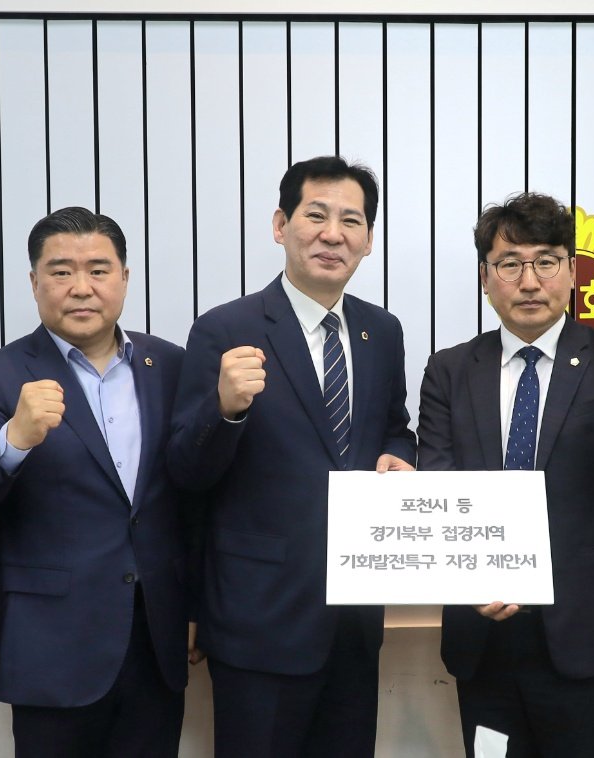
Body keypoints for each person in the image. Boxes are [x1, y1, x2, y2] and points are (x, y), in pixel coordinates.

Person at [167, 155, 416, 756]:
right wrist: (224, 410)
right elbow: (185, 470)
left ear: (369, 240)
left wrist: (397, 455)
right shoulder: (224, 329)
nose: (333, 234)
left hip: (355, 620)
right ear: (281, 225)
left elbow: (394, 427)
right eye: (316, 215)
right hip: (259, 618)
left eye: (351, 221)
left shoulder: (382, 332)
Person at [417, 192, 594, 757]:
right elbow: (438, 485)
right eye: (510, 264)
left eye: (546, 262)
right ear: (485, 277)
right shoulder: (450, 371)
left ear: (572, 272)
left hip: (588, 639)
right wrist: (469, 580)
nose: (529, 281)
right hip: (485, 637)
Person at [0, 207, 193, 756]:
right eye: (61, 271)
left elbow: (191, 495)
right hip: (53, 645)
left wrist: (195, 606)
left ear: (124, 277)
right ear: (34, 283)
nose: (81, 287)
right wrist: (14, 439)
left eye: (98, 270)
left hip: (155, 638)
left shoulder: (170, 365)